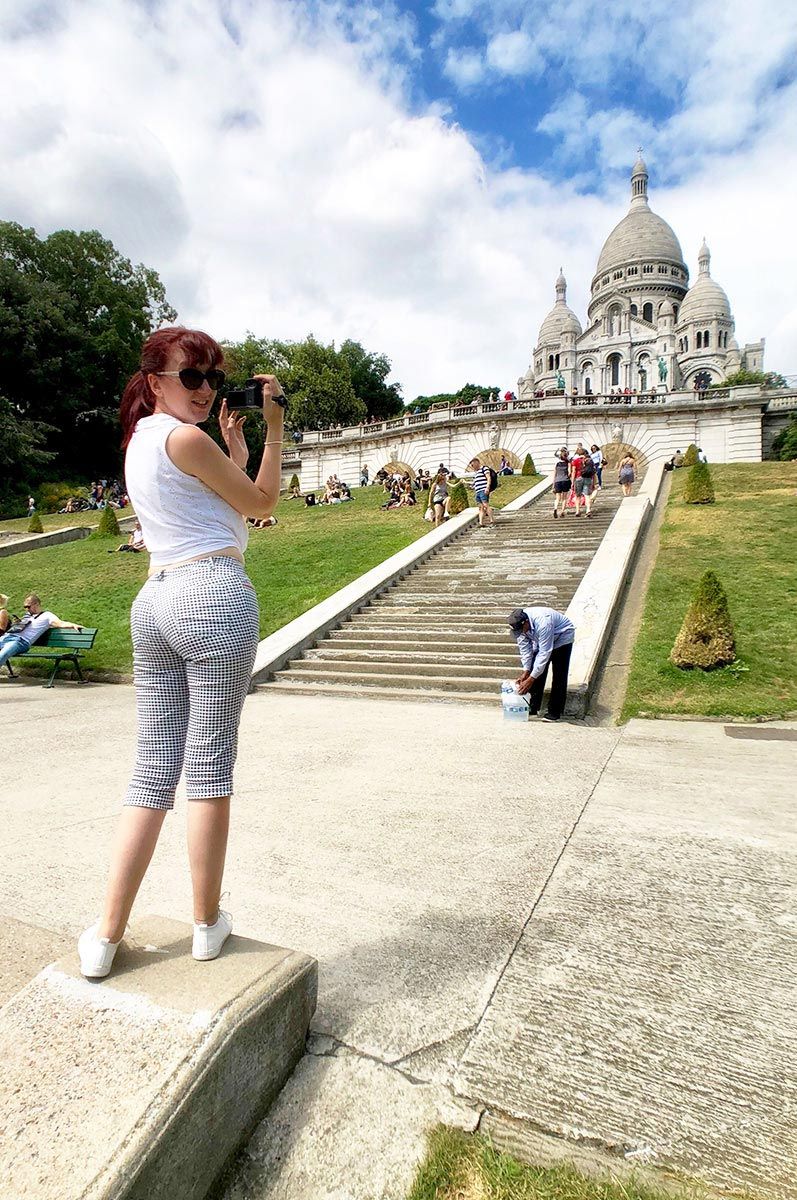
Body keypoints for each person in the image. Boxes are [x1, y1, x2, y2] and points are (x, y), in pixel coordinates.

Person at [77, 326, 285, 981]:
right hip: (212, 595)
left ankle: (106, 936)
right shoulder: (183, 437)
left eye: (213, 378)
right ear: (155, 378)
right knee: (209, 771)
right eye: (190, 376)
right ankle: (204, 926)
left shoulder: (140, 443)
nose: (204, 389)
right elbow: (262, 502)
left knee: (150, 773)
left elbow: (208, 501)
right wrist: (275, 432)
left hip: (156, 602)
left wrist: (236, 448)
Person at [508, 606, 575, 722]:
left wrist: (531, 679)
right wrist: (526, 671)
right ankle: (533, 706)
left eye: (522, 629)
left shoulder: (544, 623)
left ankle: (555, 712)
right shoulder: (520, 626)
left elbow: (545, 652)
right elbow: (525, 650)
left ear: (527, 622)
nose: (521, 633)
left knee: (559, 674)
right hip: (540, 638)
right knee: (535, 669)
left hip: (562, 636)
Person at [0, 594, 82, 670]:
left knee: (3, 654)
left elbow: (60, 623)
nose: (26, 609)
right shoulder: (27, 615)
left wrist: (73, 625)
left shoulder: (47, 616)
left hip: (20, 642)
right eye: (25, 607)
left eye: (28, 607)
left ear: (37, 604)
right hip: (7, 637)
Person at [468, 457, 494, 527]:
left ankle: (491, 520)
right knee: (480, 507)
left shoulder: (484, 468)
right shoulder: (476, 473)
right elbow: (474, 483)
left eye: (472, 465)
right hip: (478, 492)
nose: (472, 467)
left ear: (476, 462)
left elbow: (488, 478)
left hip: (483, 490)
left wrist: (487, 488)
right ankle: (481, 523)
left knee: (485, 505)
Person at [552, 448, 570, 519]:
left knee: (557, 498)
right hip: (565, 480)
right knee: (564, 498)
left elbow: (554, 474)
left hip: (557, 481)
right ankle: (562, 511)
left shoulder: (557, 464)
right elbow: (569, 473)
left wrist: (553, 484)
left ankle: (555, 508)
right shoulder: (568, 463)